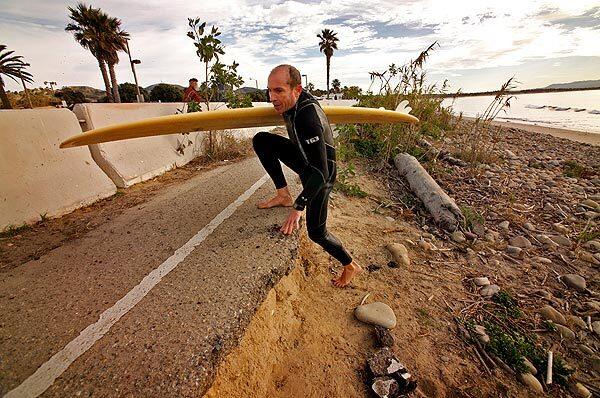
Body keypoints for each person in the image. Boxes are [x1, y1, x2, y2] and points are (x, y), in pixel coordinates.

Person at [252, 64, 362, 288]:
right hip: (305, 161)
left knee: (316, 232)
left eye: (279, 91)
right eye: (269, 91)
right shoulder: (292, 103)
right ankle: (283, 194)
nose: (272, 98)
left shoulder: (307, 117)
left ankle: (350, 265)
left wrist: (299, 206)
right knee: (262, 140)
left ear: (297, 90)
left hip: (322, 175)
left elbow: (320, 173)